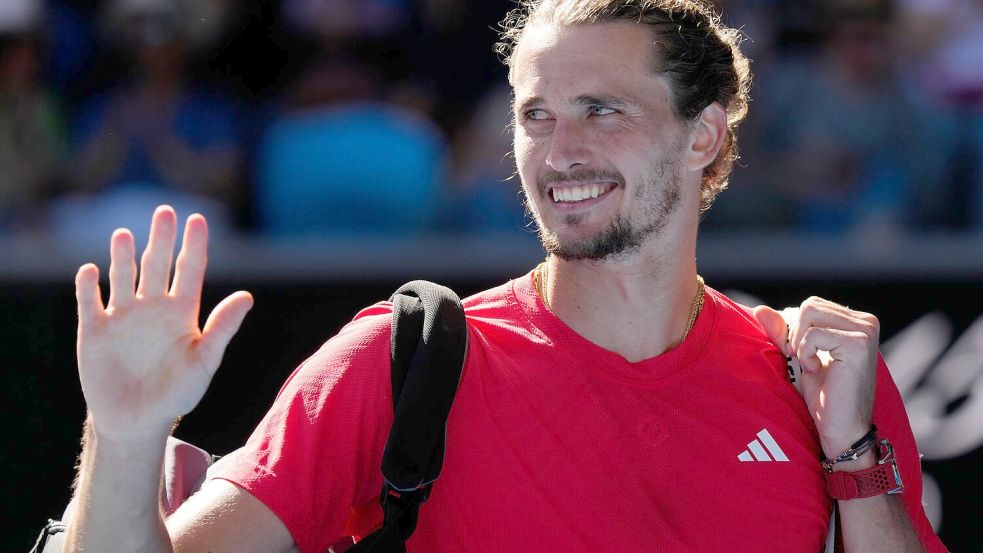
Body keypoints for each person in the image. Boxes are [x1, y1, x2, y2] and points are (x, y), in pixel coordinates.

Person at [64, 1, 947, 552]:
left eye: (602, 110)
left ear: (703, 136)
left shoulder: (824, 389)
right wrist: (125, 433)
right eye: (536, 115)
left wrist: (852, 459)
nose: (560, 152)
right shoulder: (399, 358)